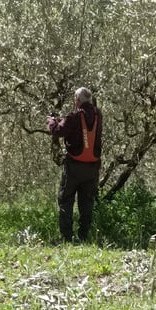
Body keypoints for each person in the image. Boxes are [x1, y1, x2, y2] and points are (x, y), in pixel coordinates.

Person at [47, 87, 102, 243]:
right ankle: (84, 237)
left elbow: (58, 130)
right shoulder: (99, 115)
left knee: (65, 199)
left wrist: (51, 120)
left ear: (77, 101)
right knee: (87, 202)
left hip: (74, 167)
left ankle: (67, 238)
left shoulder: (75, 116)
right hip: (92, 168)